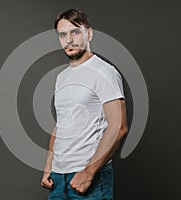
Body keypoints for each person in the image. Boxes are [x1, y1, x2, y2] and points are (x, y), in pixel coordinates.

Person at [41, 9, 128, 199]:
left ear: (88, 34)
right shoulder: (62, 77)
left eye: (75, 32)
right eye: (63, 35)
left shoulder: (104, 72)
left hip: (89, 176)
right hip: (58, 178)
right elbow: (61, 123)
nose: (69, 40)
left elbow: (119, 126)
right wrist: (49, 165)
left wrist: (89, 173)